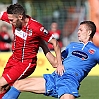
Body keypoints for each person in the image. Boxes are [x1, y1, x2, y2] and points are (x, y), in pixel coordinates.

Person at [2, 20, 99, 99]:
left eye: (81, 30)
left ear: (89, 32)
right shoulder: (72, 46)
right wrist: (43, 45)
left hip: (68, 82)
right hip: (53, 78)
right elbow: (55, 63)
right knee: (18, 84)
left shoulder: (95, 51)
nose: (78, 32)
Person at [0, 3, 64, 98]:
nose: (10, 22)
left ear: (20, 17)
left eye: (11, 20)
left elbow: (55, 43)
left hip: (25, 63)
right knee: (3, 88)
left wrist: (59, 64)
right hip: (13, 59)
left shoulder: (36, 28)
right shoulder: (13, 17)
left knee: (1, 83)